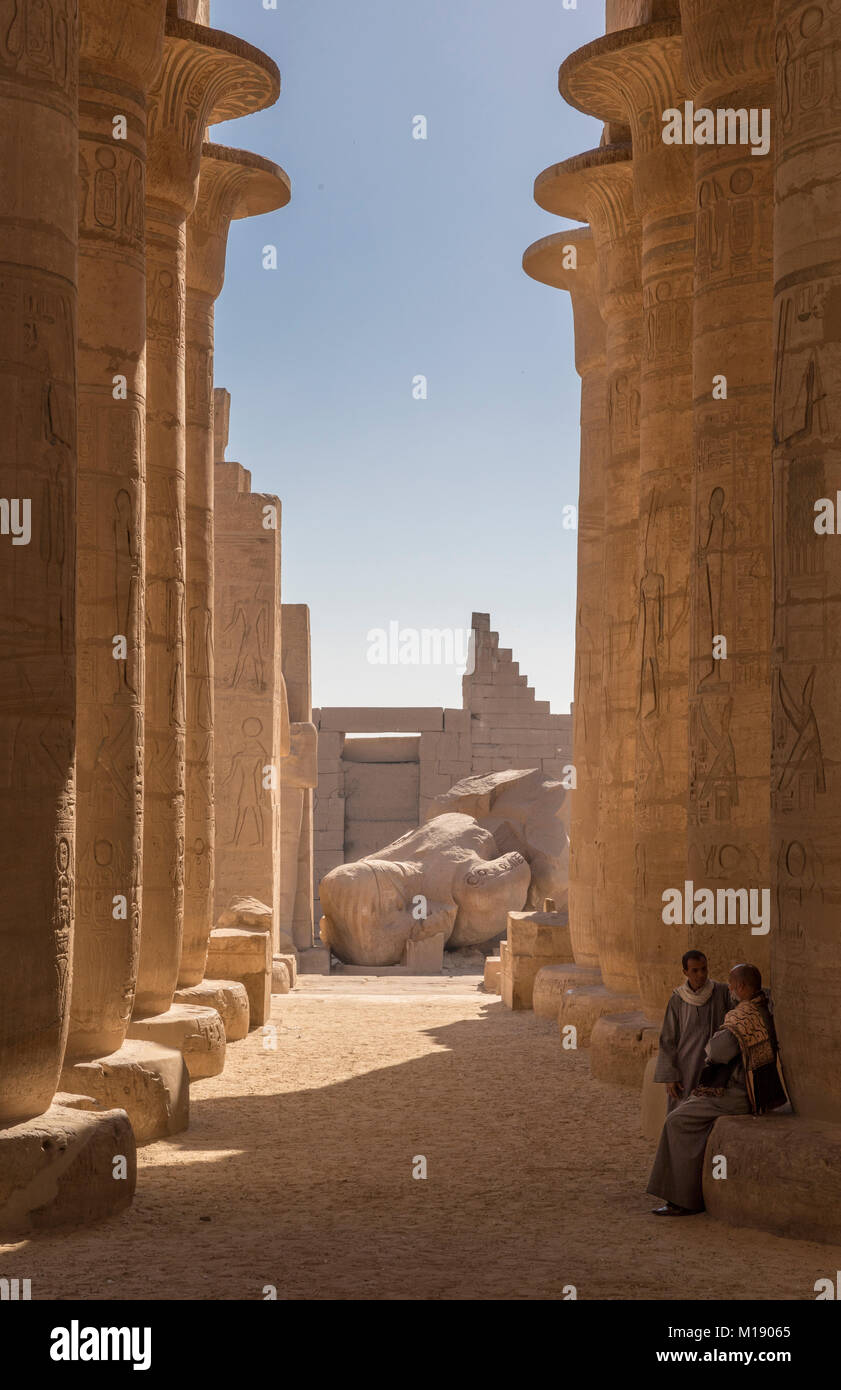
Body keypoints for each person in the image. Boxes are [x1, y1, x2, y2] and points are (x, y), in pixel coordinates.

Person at [647, 963, 787, 1216]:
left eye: (733, 986)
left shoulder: (744, 1016)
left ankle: (682, 1199)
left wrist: (715, 1039)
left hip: (737, 1093)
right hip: (750, 1090)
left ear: (742, 987)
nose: (730, 990)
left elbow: (718, 1052)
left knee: (676, 1121)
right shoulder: (761, 1007)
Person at [653, 950, 731, 1112]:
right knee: (681, 1112)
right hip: (685, 1068)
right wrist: (670, 1076)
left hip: (713, 1067)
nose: (701, 974)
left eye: (704, 969)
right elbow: (668, 1039)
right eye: (695, 970)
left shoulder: (722, 992)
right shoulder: (678, 999)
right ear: (685, 972)